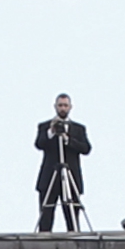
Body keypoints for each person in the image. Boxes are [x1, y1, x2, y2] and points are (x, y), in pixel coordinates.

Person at [35, 96, 91, 231]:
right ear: (55, 106)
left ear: (70, 107)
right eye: (60, 105)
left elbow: (86, 149)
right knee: (46, 214)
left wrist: (67, 140)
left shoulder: (79, 129)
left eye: (65, 105)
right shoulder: (44, 126)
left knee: (72, 214)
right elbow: (39, 144)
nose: (63, 108)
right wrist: (51, 132)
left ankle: (74, 238)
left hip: (71, 176)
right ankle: (44, 238)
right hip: (50, 176)